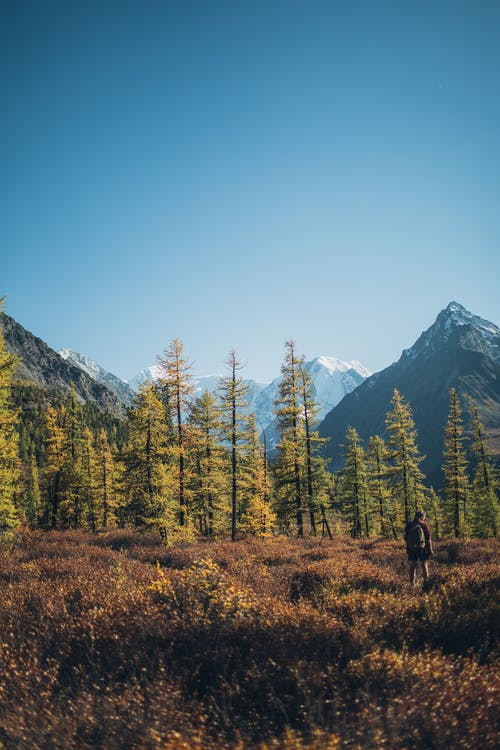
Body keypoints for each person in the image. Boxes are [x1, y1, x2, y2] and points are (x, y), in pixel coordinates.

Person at [404, 510, 434, 586]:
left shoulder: (409, 525)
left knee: (412, 566)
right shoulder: (424, 525)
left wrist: (408, 548)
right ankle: (426, 582)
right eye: (424, 517)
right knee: (424, 564)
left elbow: (406, 538)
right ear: (422, 516)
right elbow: (428, 539)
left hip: (412, 548)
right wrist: (430, 550)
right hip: (422, 549)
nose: (424, 518)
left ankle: (412, 584)